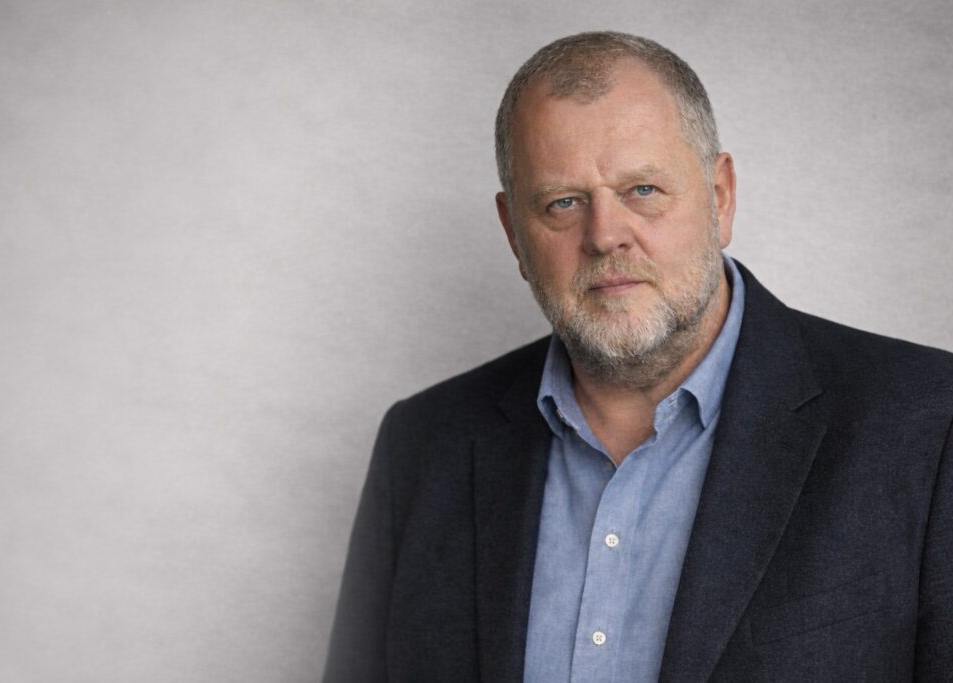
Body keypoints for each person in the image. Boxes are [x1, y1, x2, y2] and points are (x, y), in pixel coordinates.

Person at [323, 32, 953, 682]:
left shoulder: (926, 428)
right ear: (514, 234)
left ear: (720, 195)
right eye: (563, 202)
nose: (605, 235)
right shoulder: (422, 448)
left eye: (643, 189)